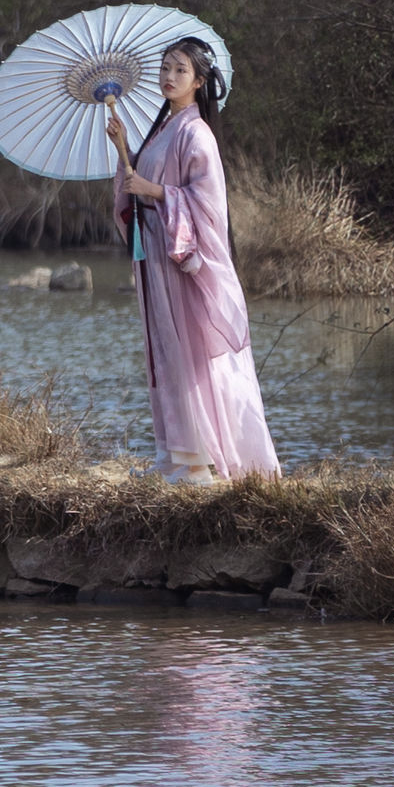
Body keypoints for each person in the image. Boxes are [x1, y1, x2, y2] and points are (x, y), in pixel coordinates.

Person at [104, 36, 282, 481]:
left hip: (180, 259)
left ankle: (200, 458)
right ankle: (177, 455)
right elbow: (136, 185)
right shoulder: (164, 128)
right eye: (165, 67)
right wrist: (124, 147)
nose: (169, 76)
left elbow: (207, 204)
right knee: (165, 350)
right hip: (155, 255)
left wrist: (153, 191)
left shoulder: (196, 133)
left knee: (190, 353)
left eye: (180, 70)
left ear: (199, 81)